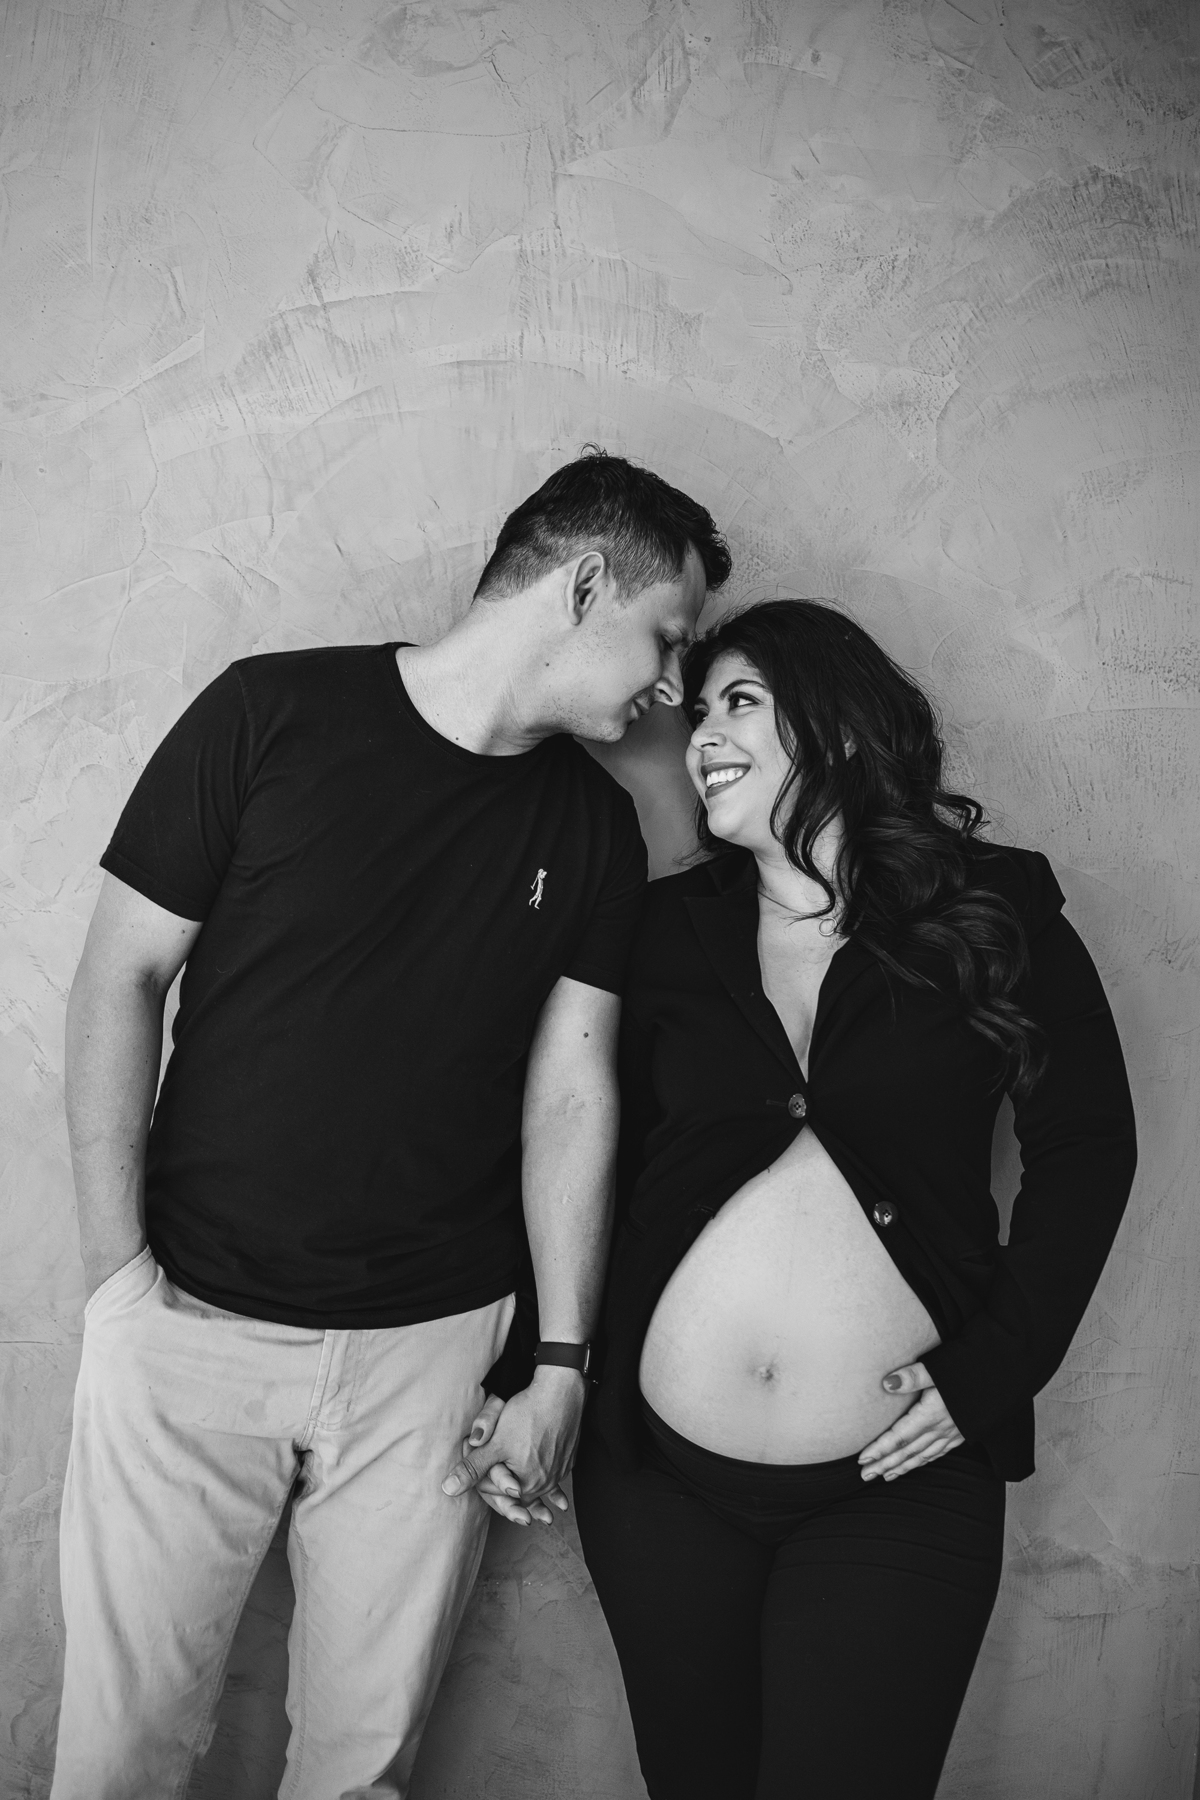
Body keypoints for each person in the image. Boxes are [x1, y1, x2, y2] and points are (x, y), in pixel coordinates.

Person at [52, 450, 730, 1800]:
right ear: (584, 583)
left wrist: (559, 1361)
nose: (672, 685)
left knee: (361, 1773)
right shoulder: (269, 714)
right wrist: (120, 1284)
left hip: (432, 1359)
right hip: (188, 1326)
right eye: (667, 636)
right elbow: (119, 979)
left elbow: (571, 1096)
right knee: (120, 1758)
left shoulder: (595, 830)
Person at [573, 599, 1137, 1800]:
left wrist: (998, 1372)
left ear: (834, 724)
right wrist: (547, 1367)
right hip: (658, 1487)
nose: (699, 736)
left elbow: (1087, 1146)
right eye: (696, 710)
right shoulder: (665, 931)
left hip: (899, 1490)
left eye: (738, 701)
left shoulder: (993, 909)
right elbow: (580, 1151)